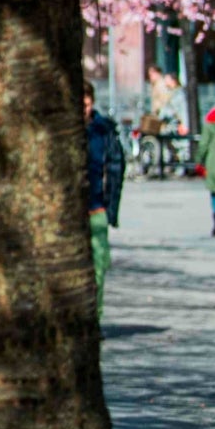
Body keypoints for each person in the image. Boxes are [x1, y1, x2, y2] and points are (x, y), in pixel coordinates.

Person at [84, 87, 123, 317]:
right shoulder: (62, 133)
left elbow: (116, 167)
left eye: (87, 104)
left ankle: (94, 318)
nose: (84, 109)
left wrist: (112, 210)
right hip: (69, 212)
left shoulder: (103, 130)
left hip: (97, 208)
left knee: (98, 267)